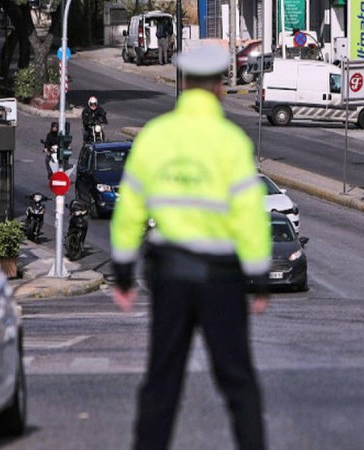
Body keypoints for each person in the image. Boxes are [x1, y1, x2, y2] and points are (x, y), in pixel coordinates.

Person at [110, 44, 271, 450]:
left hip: (170, 275)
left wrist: (124, 272)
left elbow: (128, 209)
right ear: (219, 87)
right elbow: (250, 214)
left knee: (161, 383)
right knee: (238, 383)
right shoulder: (231, 142)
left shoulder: (155, 137)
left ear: (182, 83)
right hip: (222, 277)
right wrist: (260, 277)